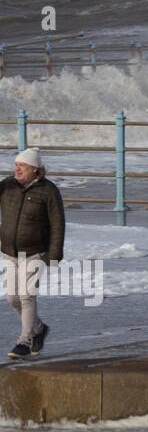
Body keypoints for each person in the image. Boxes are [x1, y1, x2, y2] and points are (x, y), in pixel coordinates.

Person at [0, 148, 63, 359]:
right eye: (16, 164)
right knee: (12, 298)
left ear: (35, 170)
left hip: (36, 252)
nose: (17, 168)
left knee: (27, 296)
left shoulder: (48, 191)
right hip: (10, 251)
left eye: (22, 166)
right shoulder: (7, 185)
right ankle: (38, 328)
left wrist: (54, 254)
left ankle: (24, 341)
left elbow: (57, 224)